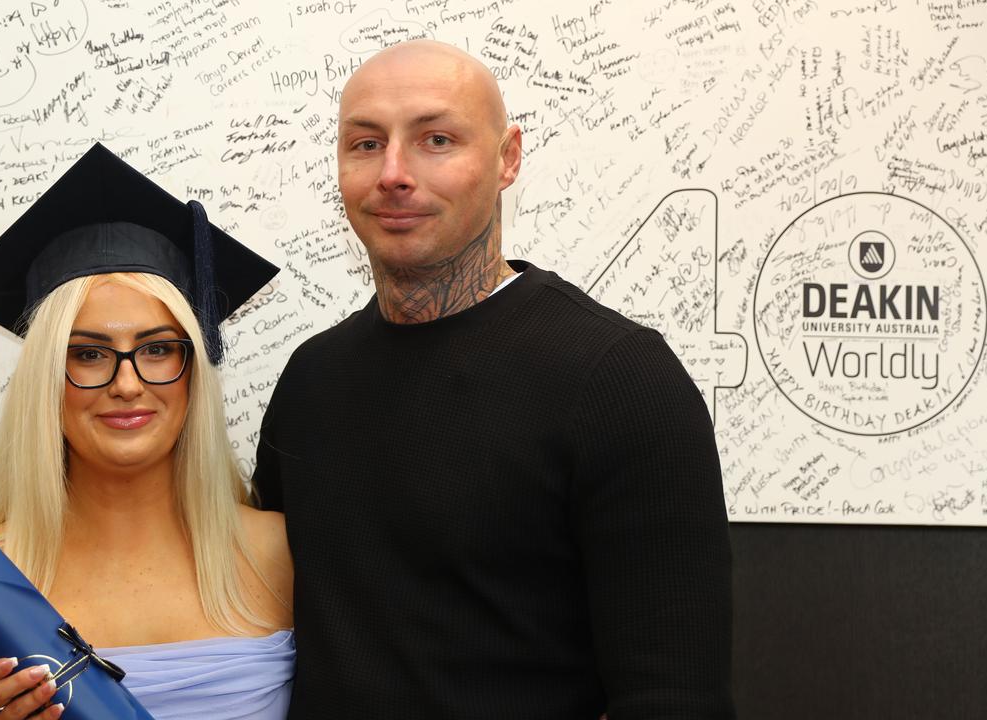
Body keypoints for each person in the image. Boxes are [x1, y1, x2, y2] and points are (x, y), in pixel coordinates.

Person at [252, 39, 735, 718]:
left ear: (508, 157)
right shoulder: (311, 381)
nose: (393, 172)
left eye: (436, 139)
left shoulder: (618, 379)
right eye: (365, 144)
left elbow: (673, 694)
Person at [0, 144, 294, 720]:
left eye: (158, 349)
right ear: (44, 380)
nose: (128, 384)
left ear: (194, 373)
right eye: (87, 353)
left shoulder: (280, 557)